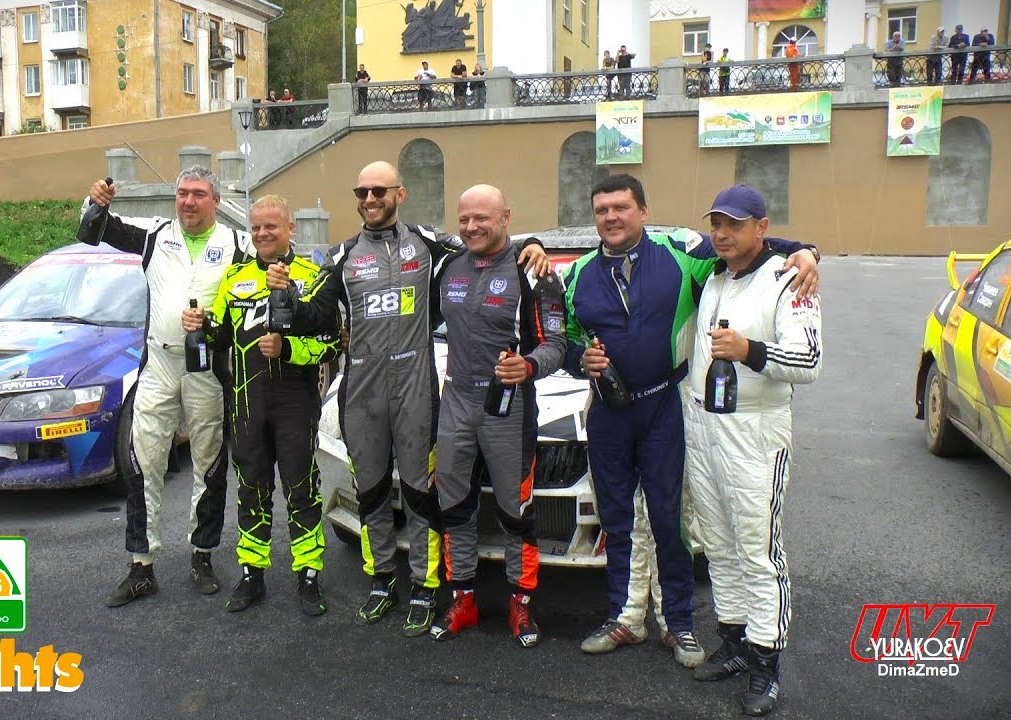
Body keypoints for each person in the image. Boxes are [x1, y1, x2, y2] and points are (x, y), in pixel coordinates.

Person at [264, 161, 550, 636]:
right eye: (362, 192)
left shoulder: (430, 244)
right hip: (363, 390)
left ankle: (424, 584)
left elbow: (487, 247)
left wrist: (532, 245)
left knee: (420, 492)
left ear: (400, 193)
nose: (369, 199)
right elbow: (316, 315)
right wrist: (289, 300)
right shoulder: (343, 254)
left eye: (379, 190)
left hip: (416, 385)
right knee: (371, 491)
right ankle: (381, 580)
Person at [562, 174, 819, 668]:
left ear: (643, 211)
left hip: (665, 405)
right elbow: (566, 340)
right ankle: (624, 617)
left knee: (669, 518)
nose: (611, 217)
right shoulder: (577, 274)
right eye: (601, 210)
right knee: (617, 519)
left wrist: (807, 251)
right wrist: (580, 360)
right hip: (609, 412)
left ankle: (677, 622)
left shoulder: (682, 251)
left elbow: (743, 245)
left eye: (621, 207)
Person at [85, 167, 253, 608]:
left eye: (198, 194)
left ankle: (202, 556)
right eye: (182, 193)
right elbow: (98, 231)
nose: (188, 202)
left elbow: (263, 284)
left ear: (216, 201)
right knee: (144, 462)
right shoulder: (156, 236)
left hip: (208, 367)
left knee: (209, 463)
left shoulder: (238, 245)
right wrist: (97, 203)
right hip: (159, 362)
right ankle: (141, 566)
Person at [684, 184, 822, 716]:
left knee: (758, 550)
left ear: (762, 227)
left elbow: (809, 361)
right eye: (716, 223)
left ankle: (767, 660)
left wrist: (749, 351)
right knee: (718, 544)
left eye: (734, 224)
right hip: (704, 425)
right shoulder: (713, 275)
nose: (722, 234)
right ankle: (735, 640)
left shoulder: (790, 279)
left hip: (755, 430)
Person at [183, 195, 338, 616]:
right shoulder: (235, 277)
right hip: (247, 402)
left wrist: (289, 350)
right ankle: (252, 575)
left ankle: (309, 576)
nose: (263, 234)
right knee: (251, 489)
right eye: (256, 228)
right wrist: (200, 325)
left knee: (301, 489)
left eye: (271, 226)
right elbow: (218, 335)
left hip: (295, 402)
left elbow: (331, 344)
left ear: (291, 228)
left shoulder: (313, 276)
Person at [427, 185, 566, 648]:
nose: (471, 227)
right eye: (464, 219)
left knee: (515, 511)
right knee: (454, 505)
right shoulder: (448, 266)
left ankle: (520, 603)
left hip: (509, 405)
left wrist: (529, 366)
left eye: (482, 218)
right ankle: (462, 598)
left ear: (506, 217)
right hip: (456, 401)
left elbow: (556, 344)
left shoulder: (533, 271)